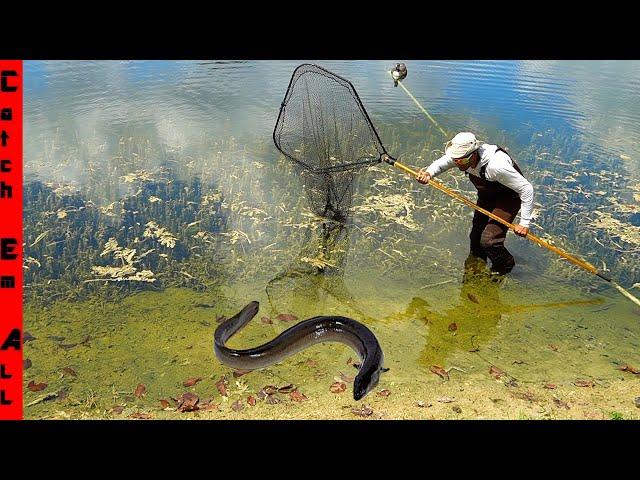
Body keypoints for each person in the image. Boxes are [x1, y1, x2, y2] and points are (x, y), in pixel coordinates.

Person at [416, 132, 534, 275]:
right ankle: (475, 266)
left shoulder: (497, 166)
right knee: (475, 236)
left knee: (489, 240)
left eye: (461, 161)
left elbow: (526, 189)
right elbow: (441, 165)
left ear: (473, 154)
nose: (456, 163)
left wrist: (524, 223)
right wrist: (428, 174)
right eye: (455, 160)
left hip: (508, 199)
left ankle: (505, 267)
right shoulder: (461, 157)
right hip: (487, 196)